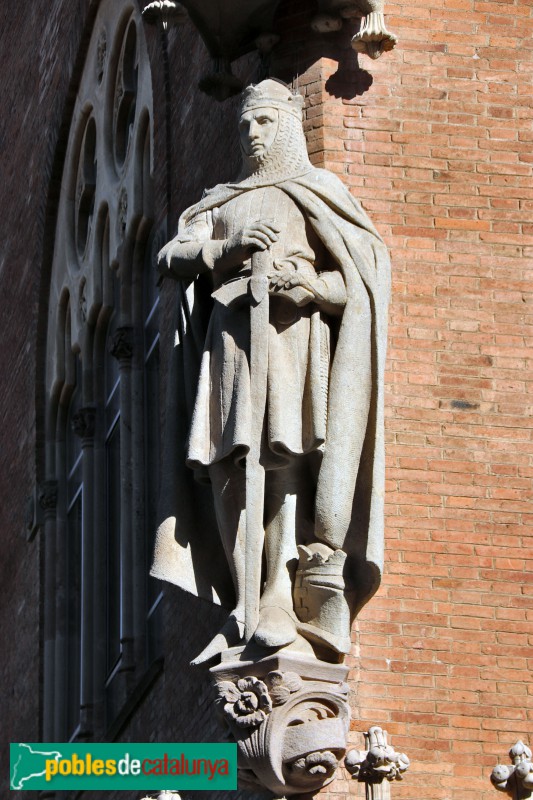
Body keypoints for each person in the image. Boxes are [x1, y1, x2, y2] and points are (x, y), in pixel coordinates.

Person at [152, 79, 390, 665]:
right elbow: (170, 256)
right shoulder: (224, 201)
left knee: (283, 460)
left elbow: (360, 282)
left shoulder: (315, 192)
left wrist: (311, 286)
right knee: (232, 460)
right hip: (231, 344)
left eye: (262, 123)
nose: (251, 135)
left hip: (291, 342)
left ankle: (283, 589)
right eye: (244, 125)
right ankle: (245, 597)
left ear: (285, 126)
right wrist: (222, 250)